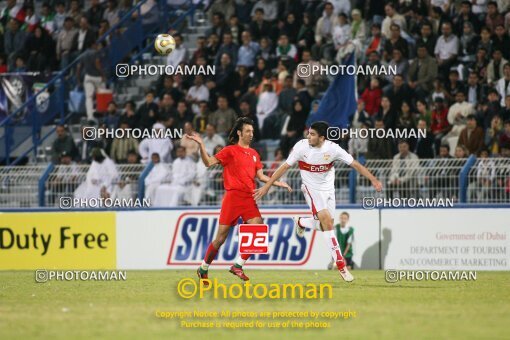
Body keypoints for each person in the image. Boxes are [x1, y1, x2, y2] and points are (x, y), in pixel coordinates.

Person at [253, 121, 383, 282]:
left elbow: (355, 164)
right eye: (309, 133)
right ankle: (341, 265)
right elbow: (284, 167)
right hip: (310, 189)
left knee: (324, 226)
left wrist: (373, 179)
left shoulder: (333, 149)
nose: (309, 136)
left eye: (313, 134)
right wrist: (267, 186)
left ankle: (301, 222)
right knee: (328, 224)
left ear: (322, 137)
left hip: (329, 191)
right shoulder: (301, 147)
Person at [185, 117, 292, 285]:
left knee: (258, 231)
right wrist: (201, 145)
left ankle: (238, 265)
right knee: (220, 239)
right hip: (233, 197)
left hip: (249, 198)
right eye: (248, 131)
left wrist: (278, 183)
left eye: (252, 131)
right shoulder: (229, 151)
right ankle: (203, 268)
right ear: (239, 132)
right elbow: (208, 163)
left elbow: (261, 176)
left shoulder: (255, 154)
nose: (251, 134)